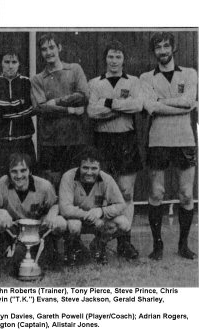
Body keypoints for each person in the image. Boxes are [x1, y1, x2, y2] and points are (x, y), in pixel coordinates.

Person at [140, 32, 198, 260]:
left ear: (173, 48)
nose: (162, 51)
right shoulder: (146, 78)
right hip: (158, 141)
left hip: (184, 140)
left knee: (186, 194)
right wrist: (183, 106)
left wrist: (161, 102)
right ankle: (158, 245)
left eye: (166, 46)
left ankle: (183, 245)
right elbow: (151, 108)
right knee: (156, 193)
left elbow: (189, 101)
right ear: (153, 51)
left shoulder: (191, 74)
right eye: (158, 47)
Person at [87, 40, 143, 260]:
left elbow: (137, 106)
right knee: (103, 194)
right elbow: (92, 112)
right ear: (105, 58)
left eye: (118, 57)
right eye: (110, 56)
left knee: (126, 192)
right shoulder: (95, 83)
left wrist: (107, 103)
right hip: (103, 141)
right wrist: (121, 104)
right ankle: (100, 241)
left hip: (126, 140)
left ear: (124, 59)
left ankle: (124, 241)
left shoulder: (134, 81)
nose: (114, 61)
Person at [31, 33, 90, 189]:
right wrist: (70, 110)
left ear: (59, 48)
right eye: (44, 49)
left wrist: (57, 101)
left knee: (75, 183)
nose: (48, 52)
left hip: (74, 137)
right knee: (53, 184)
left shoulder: (75, 69)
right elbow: (42, 108)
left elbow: (84, 95)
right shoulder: (37, 79)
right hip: (50, 140)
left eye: (52, 47)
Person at [0, 153, 66, 271]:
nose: (19, 175)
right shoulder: (2, 184)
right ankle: (2, 254)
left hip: (37, 228)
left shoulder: (44, 186)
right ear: (8, 173)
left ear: (30, 171)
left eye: (23, 170)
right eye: (14, 171)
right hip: (13, 228)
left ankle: (54, 253)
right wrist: (1, 212)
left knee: (60, 222)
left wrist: (52, 213)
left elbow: (57, 204)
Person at [59, 147, 129, 265]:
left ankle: (98, 245)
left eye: (94, 168)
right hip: (76, 219)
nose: (89, 172)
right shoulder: (68, 177)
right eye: (85, 167)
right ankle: (73, 247)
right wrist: (88, 215)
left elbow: (121, 205)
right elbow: (65, 209)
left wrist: (101, 211)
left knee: (124, 224)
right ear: (79, 167)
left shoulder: (106, 179)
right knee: (73, 226)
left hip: (98, 220)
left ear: (100, 168)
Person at [0, 49, 36, 186]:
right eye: (6, 62)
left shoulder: (27, 82)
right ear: (1, 63)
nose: (10, 66)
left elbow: (32, 109)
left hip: (23, 141)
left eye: (14, 62)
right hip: (0, 142)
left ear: (19, 64)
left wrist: (3, 113)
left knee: (26, 182)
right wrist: (19, 103)